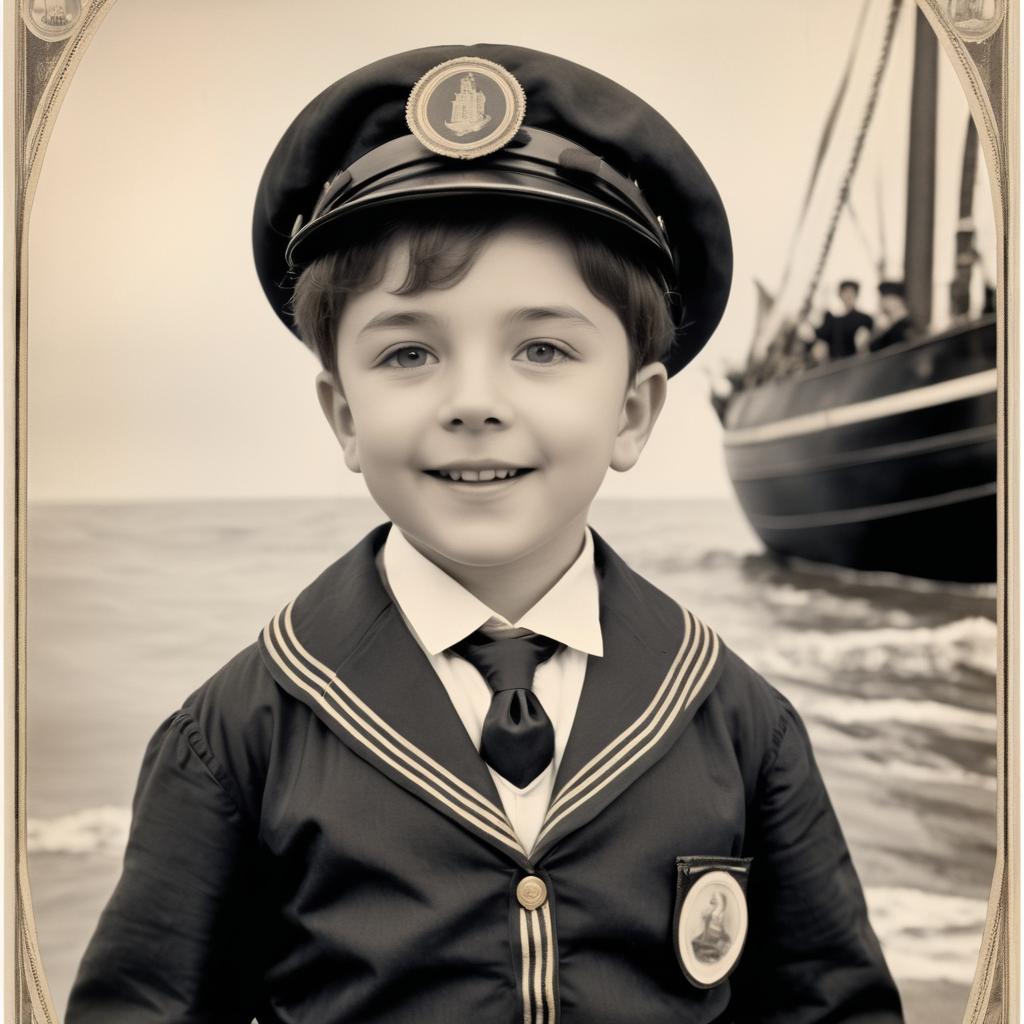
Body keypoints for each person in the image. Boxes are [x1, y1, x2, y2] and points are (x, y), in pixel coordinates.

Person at [66, 45, 903, 1024]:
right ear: (343, 413)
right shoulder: (237, 737)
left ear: (632, 411)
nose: (472, 402)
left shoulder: (738, 724)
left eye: (541, 349)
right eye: (409, 351)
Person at [814, 279, 874, 360]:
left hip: (856, 363)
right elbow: (820, 336)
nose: (849, 296)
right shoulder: (832, 320)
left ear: (856, 295)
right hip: (835, 366)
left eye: (852, 292)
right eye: (845, 292)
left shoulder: (864, 319)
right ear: (840, 295)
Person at [870, 280, 917, 351]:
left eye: (885, 299)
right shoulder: (894, 327)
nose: (882, 303)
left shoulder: (901, 329)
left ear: (898, 301)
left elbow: (874, 348)